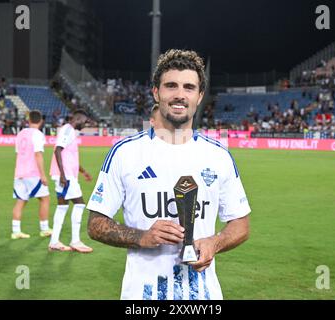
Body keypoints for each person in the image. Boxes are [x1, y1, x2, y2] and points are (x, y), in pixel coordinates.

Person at [86, 49, 250, 300]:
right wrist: (142, 236)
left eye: (189, 87)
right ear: (156, 92)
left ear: (200, 95)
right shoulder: (125, 153)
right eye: (171, 86)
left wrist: (214, 243)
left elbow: (241, 224)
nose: (180, 95)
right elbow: (95, 225)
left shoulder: (219, 156)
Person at [48, 109, 93, 253]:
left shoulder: (69, 131)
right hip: (65, 175)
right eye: (84, 122)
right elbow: (57, 150)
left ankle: (54, 242)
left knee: (62, 208)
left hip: (65, 174)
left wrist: (83, 171)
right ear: (78, 119)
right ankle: (75, 241)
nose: (84, 125)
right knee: (79, 204)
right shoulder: (68, 130)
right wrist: (62, 175)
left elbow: (69, 157)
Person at [12, 110, 52, 239]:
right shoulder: (38, 135)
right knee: (45, 199)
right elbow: (38, 154)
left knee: (20, 201)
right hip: (33, 173)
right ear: (41, 121)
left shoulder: (21, 134)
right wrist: (43, 175)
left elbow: (18, 153)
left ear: (28, 121)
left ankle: (16, 231)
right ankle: (45, 229)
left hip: (19, 172)